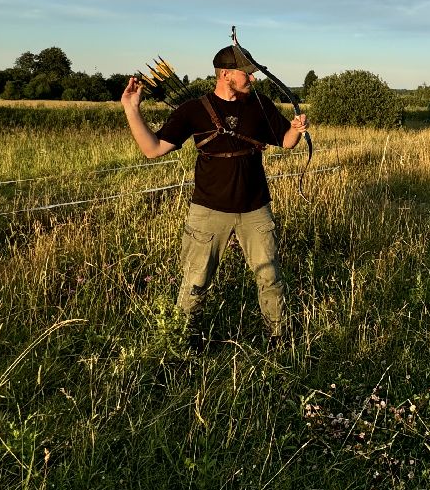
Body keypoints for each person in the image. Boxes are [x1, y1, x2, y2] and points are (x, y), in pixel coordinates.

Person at [121, 45, 308, 349]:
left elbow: (286, 142)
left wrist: (297, 129)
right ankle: (181, 341)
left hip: (255, 209)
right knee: (195, 281)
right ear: (225, 74)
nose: (252, 78)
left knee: (270, 278)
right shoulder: (193, 110)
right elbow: (152, 149)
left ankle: (279, 339)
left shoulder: (260, 104)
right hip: (207, 211)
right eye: (246, 72)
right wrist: (132, 109)